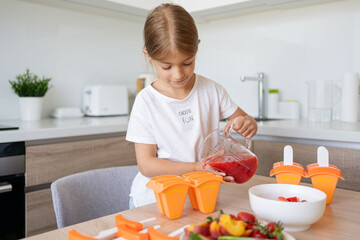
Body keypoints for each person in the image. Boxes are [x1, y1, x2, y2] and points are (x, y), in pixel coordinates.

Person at [126, 3, 257, 208]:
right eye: (167, 67)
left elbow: (244, 121)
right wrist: (197, 167)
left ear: (197, 46)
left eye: (187, 62)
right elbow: (147, 165)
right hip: (156, 201)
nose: (178, 74)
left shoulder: (212, 90)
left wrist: (246, 122)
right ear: (149, 57)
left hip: (204, 197)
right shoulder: (146, 101)